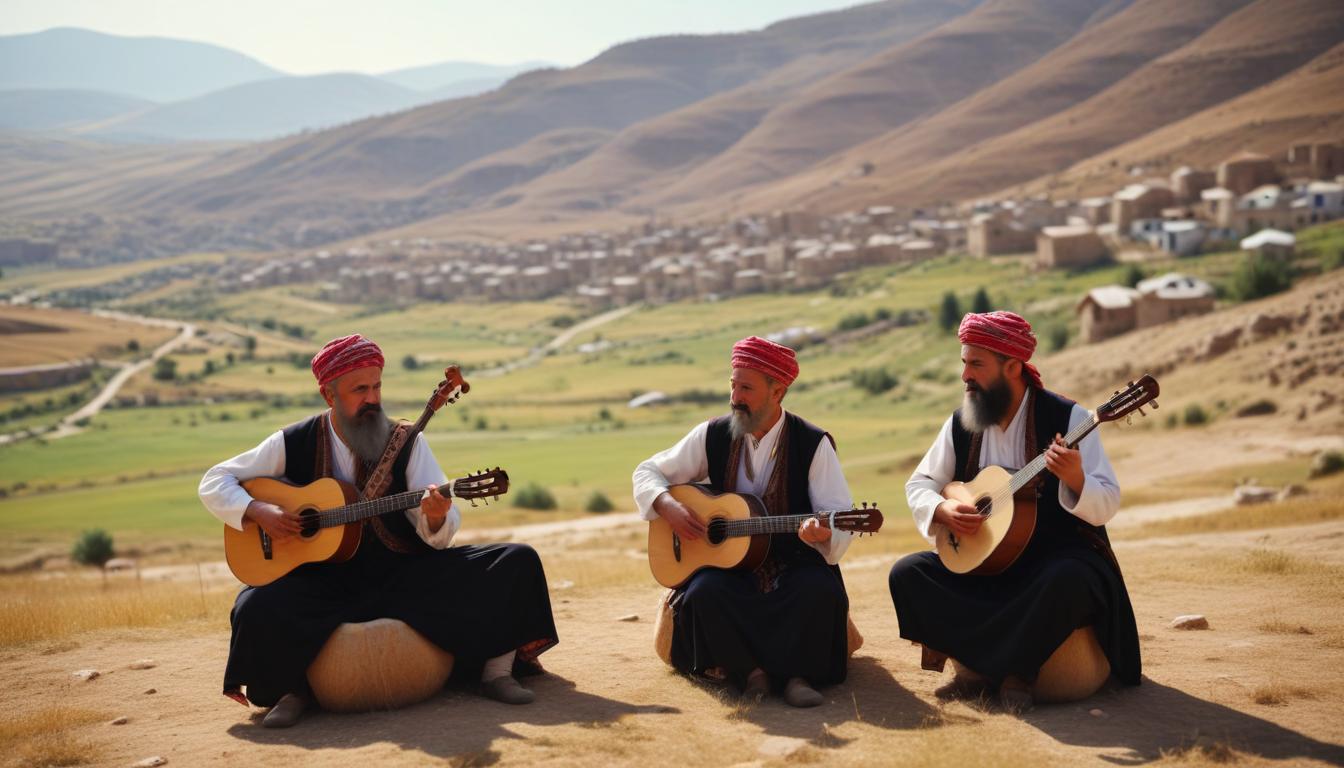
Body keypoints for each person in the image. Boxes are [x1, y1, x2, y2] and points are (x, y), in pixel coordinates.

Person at [199, 334, 558, 727]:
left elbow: (440, 530)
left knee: (515, 560)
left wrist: (435, 516)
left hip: (400, 573)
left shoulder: (405, 440)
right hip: (323, 581)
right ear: (328, 394)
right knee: (254, 605)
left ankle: (496, 673)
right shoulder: (293, 440)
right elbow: (215, 480)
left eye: (377, 387)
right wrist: (258, 509)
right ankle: (293, 689)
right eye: (359, 389)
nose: (372, 398)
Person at [887, 311, 1140, 712]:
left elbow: (1107, 501)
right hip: (986, 562)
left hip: (1049, 563)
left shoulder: (1071, 419)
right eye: (964, 363)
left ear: (1013, 366)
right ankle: (981, 667)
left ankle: (1016, 672)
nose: (965, 375)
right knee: (908, 572)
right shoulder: (962, 422)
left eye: (976, 364)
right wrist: (945, 507)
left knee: (1071, 578)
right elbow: (920, 484)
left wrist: (1076, 478)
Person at [632, 336, 855, 708]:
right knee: (704, 594)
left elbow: (838, 514)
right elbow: (648, 471)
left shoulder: (813, 444)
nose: (735, 396)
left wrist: (823, 531)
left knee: (816, 591)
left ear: (778, 391)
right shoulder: (713, 433)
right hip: (727, 566)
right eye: (732, 384)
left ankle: (799, 676)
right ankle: (752, 673)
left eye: (746, 387)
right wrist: (666, 503)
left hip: (793, 561)